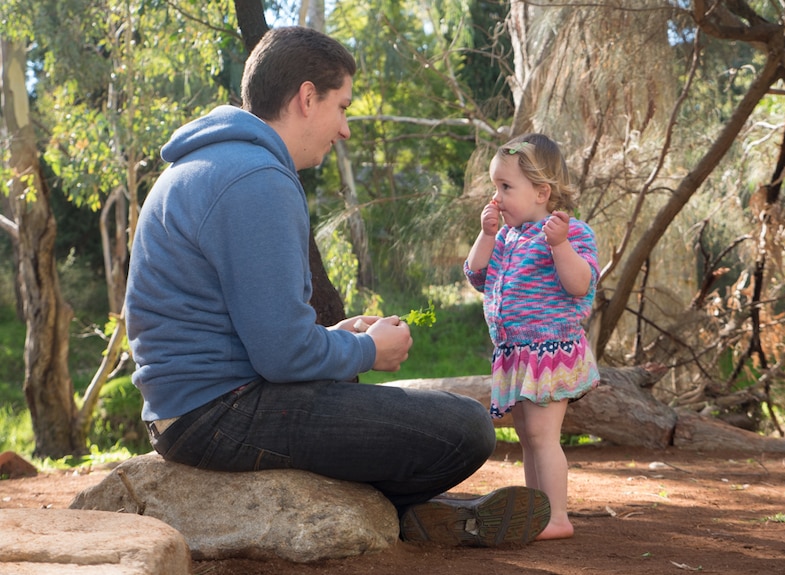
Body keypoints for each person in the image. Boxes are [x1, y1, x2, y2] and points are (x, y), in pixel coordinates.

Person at [124, 26, 550, 547]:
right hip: (218, 414)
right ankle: (395, 514)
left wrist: (340, 337)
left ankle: (410, 517)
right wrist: (368, 350)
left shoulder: (213, 165)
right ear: (307, 98)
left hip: (191, 407)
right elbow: (282, 355)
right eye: (342, 107)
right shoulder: (257, 179)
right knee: (466, 427)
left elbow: (256, 329)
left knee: (377, 396)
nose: (345, 128)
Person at [464, 133, 601, 540]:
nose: (497, 197)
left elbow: (581, 284)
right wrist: (486, 236)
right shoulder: (507, 237)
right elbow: (476, 275)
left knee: (543, 436)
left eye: (506, 187)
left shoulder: (571, 233)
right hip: (516, 352)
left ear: (542, 192)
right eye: (495, 187)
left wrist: (558, 245)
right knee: (527, 436)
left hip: (549, 351)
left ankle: (557, 517)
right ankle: (535, 509)